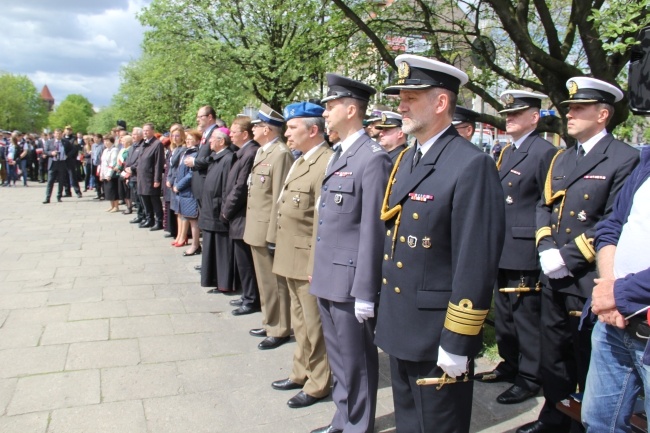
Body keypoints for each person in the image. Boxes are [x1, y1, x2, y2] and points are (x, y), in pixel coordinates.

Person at [374, 54, 505, 433]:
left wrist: (458, 340)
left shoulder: (470, 164)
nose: (400, 105)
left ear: (441, 102)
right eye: (401, 96)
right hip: (402, 322)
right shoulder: (407, 159)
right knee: (410, 424)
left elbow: (475, 262)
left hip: (436, 332)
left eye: (411, 97)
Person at [519, 77, 639, 433]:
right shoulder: (561, 157)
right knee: (552, 354)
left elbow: (613, 219)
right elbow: (544, 207)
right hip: (552, 273)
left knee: (588, 357)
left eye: (579, 109)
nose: (569, 115)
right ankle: (554, 416)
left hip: (588, 277)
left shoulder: (624, 159)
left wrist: (568, 256)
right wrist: (545, 249)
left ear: (603, 114)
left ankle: (585, 424)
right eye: (569, 108)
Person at [309, 74, 392, 433]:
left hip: (349, 279)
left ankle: (359, 425)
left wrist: (365, 290)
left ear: (351, 108)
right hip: (329, 273)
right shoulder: (340, 153)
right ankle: (342, 418)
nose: (325, 114)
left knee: (355, 358)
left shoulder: (372, 158)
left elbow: (374, 229)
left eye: (330, 107)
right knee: (339, 358)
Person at [474, 91, 557, 405]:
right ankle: (510, 365)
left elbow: (545, 202)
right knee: (506, 314)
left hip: (525, 247)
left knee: (525, 317)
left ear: (534, 118)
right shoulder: (506, 151)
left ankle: (530, 377)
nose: (508, 119)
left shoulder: (544, 152)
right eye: (507, 114)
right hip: (502, 244)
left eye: (516, 114)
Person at [581, 145, 650, 432]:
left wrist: (617, 295)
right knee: (599, 423)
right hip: (612, 325)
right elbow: (610, 227)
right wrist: (610, 291)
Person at [270, 101, 333, 409]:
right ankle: (301, 371)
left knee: (314, 324)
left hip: (308, 258)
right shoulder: (299, 160)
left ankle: (320, 382)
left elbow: (323, 222)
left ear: (313, 130)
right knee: (300, 322)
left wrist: (315, 265)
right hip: (290, 254)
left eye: (293, 127)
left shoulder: (325, 162)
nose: (287, 133)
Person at [243, 103, 294, 350]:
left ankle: (280, 327)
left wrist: (274, 233)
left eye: (257, 126)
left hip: (267, 229)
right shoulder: (263, 151)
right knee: (264, 281)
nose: (253, 130)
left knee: (275, 283)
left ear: (267, 129)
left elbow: (278, 197)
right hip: (256, 226)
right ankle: (269, 320)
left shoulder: (281, 154)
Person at [222, 116, 261, 315]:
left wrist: (226, 211)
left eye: (234, 132)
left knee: (247, 262)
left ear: (244, 134)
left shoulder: (250, 152)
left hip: (243, 215)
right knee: (242, 261)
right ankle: (248, 295)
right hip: (238, 216)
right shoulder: (243, 152)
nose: (230, 135)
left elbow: (240, 188)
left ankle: (252, 299)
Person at [199, 129, 235, 293]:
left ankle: (224, 283)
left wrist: (223, 210)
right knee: (211, 248)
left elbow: (227, 187)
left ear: (222, 141)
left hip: (217, 210)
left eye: (213, 139)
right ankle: (215, 280)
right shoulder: (216, 158)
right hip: (209, 209)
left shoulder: (228, 158)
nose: (209, 142)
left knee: (221, 250)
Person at [173, 129, 202, 256]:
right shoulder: (186, 152)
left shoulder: (195, 153)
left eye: (192, 139)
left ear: (197, 140)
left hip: (189, 190)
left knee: (193, 219)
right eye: (188, 138)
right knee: (188, 218)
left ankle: (195, 245)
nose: (189, 141)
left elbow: (191, 175)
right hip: (183, 191)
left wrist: (178, 185)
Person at [136, 123, 165, 231]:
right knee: (144, 198)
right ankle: (149, 219)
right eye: (144, 130)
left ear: (153, 131)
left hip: (151, 177)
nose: (145, 132)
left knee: (154, 200)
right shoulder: (143, 144)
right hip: (141, 177)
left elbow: (158, 163)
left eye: (147, 130)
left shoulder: (157, 144)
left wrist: (157, 179)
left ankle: (159, 221)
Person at [166, 125, 187, 245]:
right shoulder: (174, 149)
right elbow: (170, 167)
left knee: (182, 211)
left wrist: (173, 179)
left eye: (177, 135)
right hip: (172, 182)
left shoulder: (183, 149)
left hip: (178, 182)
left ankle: (183, 236)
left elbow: (179, 168)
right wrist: (168, 178)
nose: (175, 138)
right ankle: (179, 235)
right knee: (177, 212)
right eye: (173, 135)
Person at [124, 128, 145, 222]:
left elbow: (140, 161)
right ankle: (139, 215)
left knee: (141, 198)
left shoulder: (142, 146)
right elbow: (128, 160)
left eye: (135, 134)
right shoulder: (133, 146)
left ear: (141, 135)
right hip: (131, 176)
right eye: (132, 134)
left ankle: (143, 216)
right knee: (135, 198)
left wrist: (132, 168)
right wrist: (127, 169)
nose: (133, 136)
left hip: (138, 176)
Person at [42, 129, 69, 203]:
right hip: (53, 163)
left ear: (62, 134)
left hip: (61, 163)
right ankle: (47, 197)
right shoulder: (49, 142)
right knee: (50, 181)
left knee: (61, 180)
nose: (58, 135)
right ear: (54, 134)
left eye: (60, 134)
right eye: (57, 134)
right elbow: (45, 151)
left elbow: (72, 150)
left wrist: (67, 155)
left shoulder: (65, 142)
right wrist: (51, 153)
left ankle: (59, 196)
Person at [100, 135, 120, 212]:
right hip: (105, 172)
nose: (106, 143)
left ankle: (116, 206)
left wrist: (109, 174)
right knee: (108, 190)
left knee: (113, 190)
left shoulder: (114, 150)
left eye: (107, 141)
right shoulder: (105, 150)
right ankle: (111, 205)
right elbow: (102, 163)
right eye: (104, 141)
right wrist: (102, 174)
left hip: (112, 174)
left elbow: (113, 162)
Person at [63, 126, 82, 198]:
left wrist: (68, 155)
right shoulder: (62, 138)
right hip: (63, 160)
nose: (68, 131)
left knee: (72, 176)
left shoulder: (74, 138)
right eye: (67, 130)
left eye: (69, 130)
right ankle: (67, 191)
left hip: (71, 159)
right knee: (65, 176)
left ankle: (77, 191)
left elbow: (75, 149)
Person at [116, 135, 133, 213]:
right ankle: (127, 205)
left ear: (129, 142)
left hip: (127, 171)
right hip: (122, 171)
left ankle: (129, 206)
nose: (122, 142)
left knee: (127, 190)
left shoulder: (130, 150)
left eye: (123, 141)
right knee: (122, 189)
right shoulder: (123, 150)